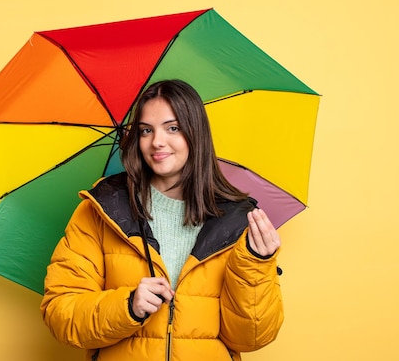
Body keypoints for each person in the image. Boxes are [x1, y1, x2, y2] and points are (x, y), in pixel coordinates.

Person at [40, 79, 283, 360]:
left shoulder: (238, 220)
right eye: (146, 130)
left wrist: (255, 265)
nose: (157, 141)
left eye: (173, 128)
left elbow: (251, 337)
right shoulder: (100, 211)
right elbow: (61, 314)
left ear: (196, 134)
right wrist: (128, 306)